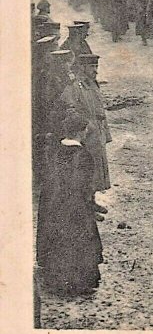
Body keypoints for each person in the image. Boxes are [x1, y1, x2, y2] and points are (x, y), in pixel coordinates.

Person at [36, 111, 102, 296]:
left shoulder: (55, 151)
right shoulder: (84, 156)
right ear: (81, 132)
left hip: (53, 205)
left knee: (58, 240)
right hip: (75, 206)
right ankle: (78, 282)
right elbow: (84, 187)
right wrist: (91, 205)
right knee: (78, 240)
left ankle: (54, 276)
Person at [60, 54, 112, 217]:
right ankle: (85, 208)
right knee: (86, 172)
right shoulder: (75, 87)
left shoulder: (92, 84)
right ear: (82, 68)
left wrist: (105, 132)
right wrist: (84, 126)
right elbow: (70, 108)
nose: (95, 70)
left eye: (96, 67)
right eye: (91, 67)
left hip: (97, 133)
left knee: (96, 169)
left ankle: (92, 201)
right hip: (86, 135)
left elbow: (99, 108)